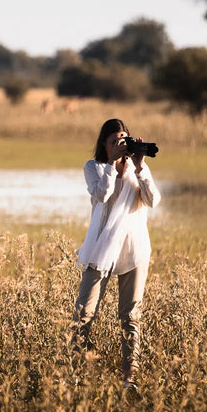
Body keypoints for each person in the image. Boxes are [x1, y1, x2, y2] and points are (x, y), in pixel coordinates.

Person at [73, 118, 161, 391]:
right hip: (100, 248)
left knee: (131, 317)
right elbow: (102, 194)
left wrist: (140, 166)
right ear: (104, 144)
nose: (119, 145)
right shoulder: (94, 167)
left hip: (133, 249)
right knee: (83, 314)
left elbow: (153, 201)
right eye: (114, 142)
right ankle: (74, 376)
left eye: (123, 140)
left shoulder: (137, 169)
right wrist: (112, 163)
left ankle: (129, 379)